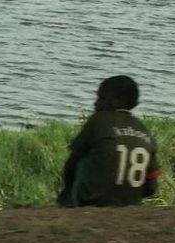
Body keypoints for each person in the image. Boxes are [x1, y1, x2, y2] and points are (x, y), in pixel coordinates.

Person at [57, 75, 161, 208]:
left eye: (101, 98)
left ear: (117, 101)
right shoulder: (144, 130)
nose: (96, 103)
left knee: (80, 157)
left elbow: (71, 164)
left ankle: (73, 202)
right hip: (130, 205)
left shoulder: (98, 120)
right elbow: (151, 187)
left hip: (92, 202)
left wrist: (66, 193)